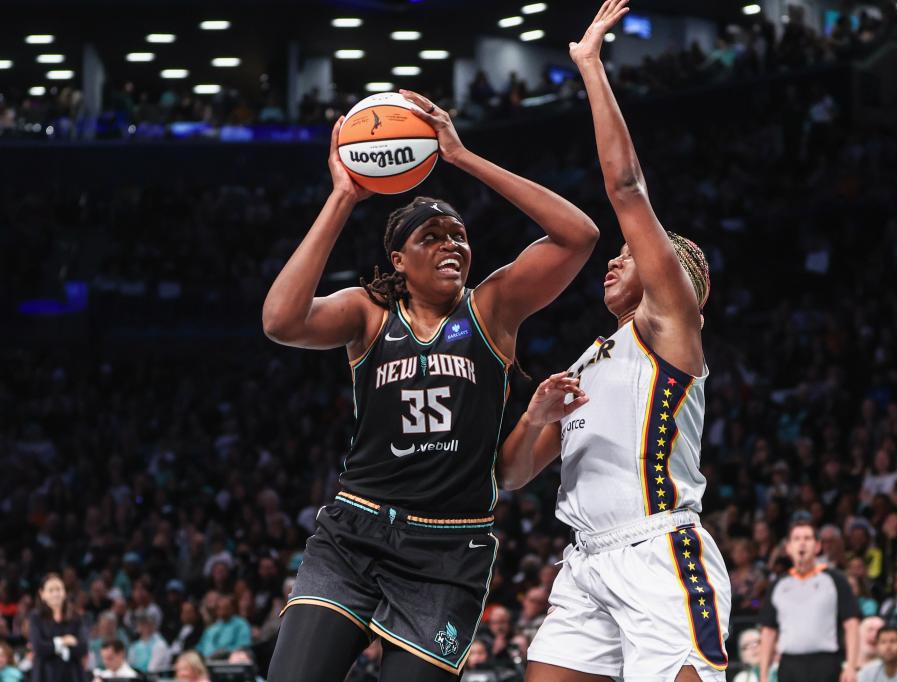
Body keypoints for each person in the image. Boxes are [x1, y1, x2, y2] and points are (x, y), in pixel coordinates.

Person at [261, 79, 599, 680]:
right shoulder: (368, 312)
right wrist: (343, 197)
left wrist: (462, 156)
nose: (452, 245)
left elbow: (580, 235)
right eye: (431, 238)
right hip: (355, 531)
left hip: (449, 549)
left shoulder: (491, 308)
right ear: (399, 260)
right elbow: (281, 320)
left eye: (459, 236)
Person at [505, 2, 728, 680]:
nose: (613, 259)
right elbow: (509, 478)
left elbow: (626, 187)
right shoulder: (587, 361)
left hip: (659, 553)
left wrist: (591, 65)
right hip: (584, 562)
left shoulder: (671, 330)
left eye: (629, 256)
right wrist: (536, 416)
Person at [758, 521, 860, 682]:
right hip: (789, 665)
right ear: (788, 548)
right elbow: (768, 632)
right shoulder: (778, 585)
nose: (802, 543)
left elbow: (852, 624)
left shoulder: (836, 580)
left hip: (826, 663)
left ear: (817, 546)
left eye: (807, 538)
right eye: (796, 539)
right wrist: (763, 675)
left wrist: (851, 666)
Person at [28, 573, 89, 682]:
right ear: (42, 594)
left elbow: (83, 647)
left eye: (59, 589)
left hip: (72, 674)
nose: (56, 594)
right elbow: (38, 647)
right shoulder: (35, 617)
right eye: (51, 590)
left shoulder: (76, 617)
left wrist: (52, 647)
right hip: (44, 675)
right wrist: (63, 642)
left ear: (64, 592)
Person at [195, 596, 250, 660]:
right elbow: (200, 647)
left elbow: (243, 646)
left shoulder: (241, 624)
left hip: (226, 661)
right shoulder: (212, 627)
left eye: (225, 608)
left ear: (232, 608)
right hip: (204, 661)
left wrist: (225, 652)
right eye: (219, 608)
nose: (222, 610)